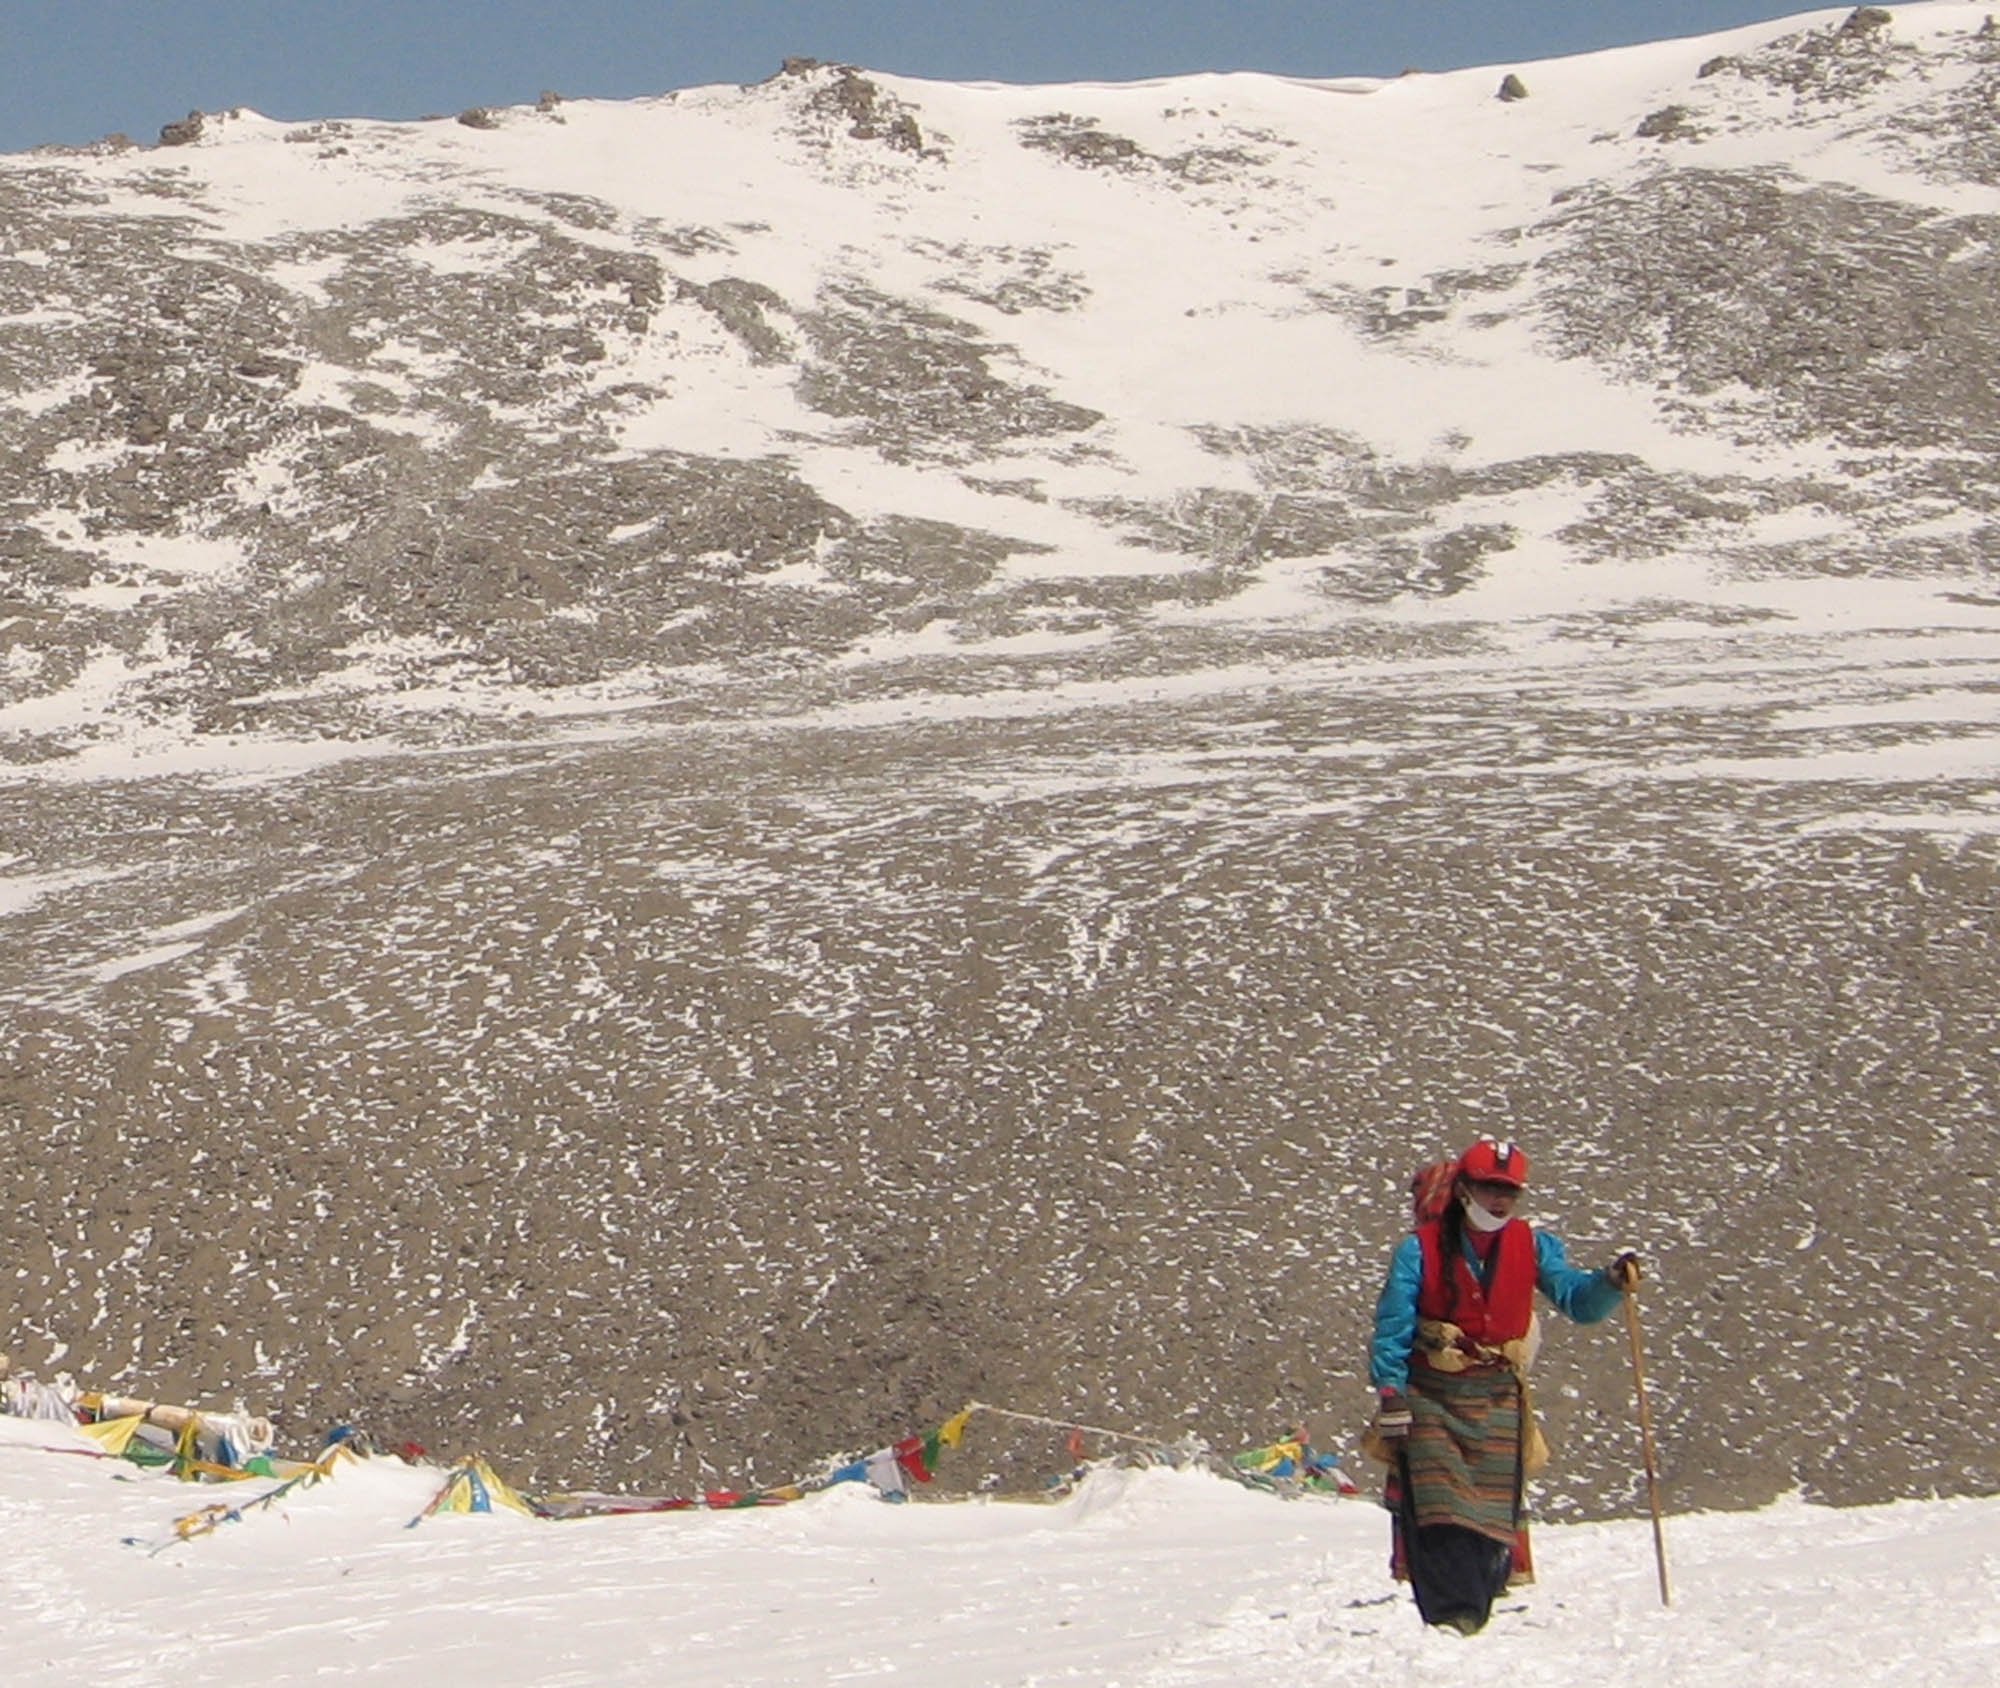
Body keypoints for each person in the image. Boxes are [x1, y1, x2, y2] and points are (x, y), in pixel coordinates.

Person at [1366, 1137, 1639, 1635]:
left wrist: (1609, 1283)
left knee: (1491, 1504)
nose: (1500, 1200)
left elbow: (1576, 1300)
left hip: (1496, 1395)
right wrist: (1391, 1390)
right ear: (1465, 1189)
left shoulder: (1532, 1245)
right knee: (1440, 1504)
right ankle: (1451, 1611)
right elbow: (1394, 1323)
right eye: (1490, 1187)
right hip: (1432, 1392)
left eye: (1509, 1191)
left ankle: (1476, 1603)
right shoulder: (1418, 1250)